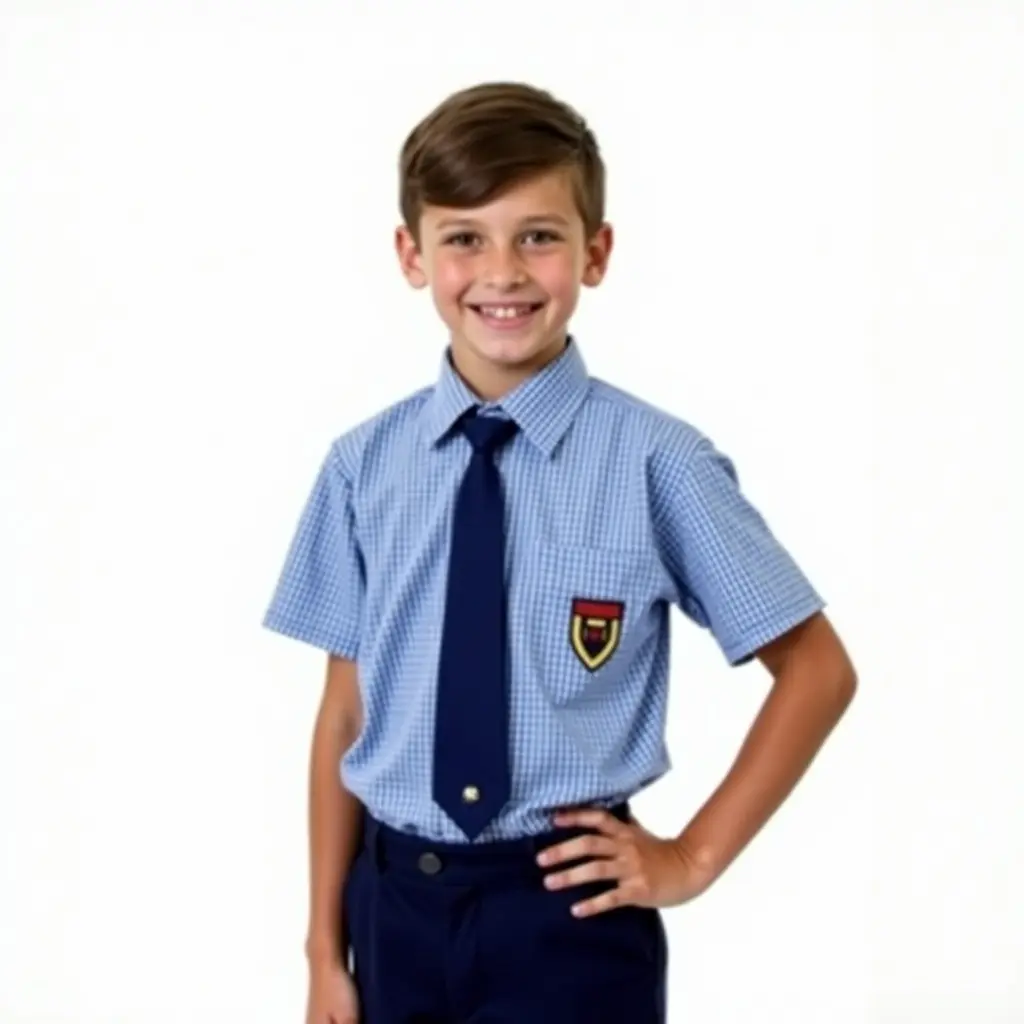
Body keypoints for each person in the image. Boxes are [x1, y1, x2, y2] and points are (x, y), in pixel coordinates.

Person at [262, 80, 857, 1024]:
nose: (502, 271)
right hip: (391, 909)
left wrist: (692, 857)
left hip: (568, 914)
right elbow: (344, 715)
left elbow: (817, 669)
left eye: (538, 235)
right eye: (464, 237)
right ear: (412, 255)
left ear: (598, 250)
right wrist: (321, 948)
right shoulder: (361, 467)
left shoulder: (660, 462)